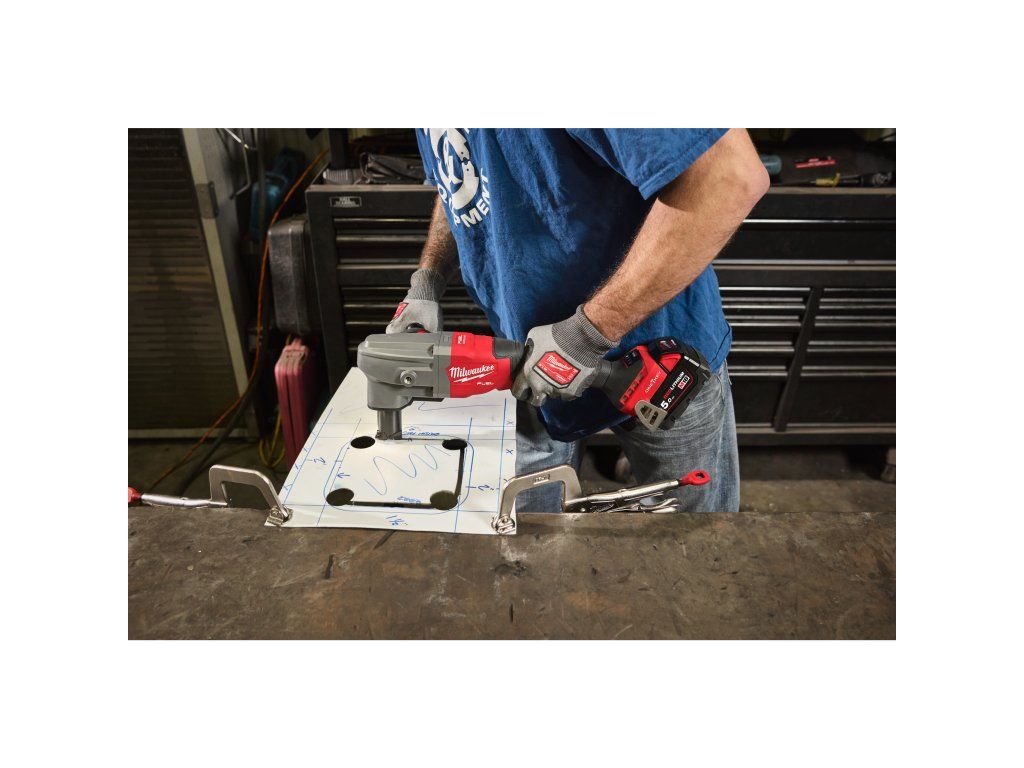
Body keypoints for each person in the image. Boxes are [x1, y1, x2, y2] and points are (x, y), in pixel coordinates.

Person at [388, 129, 769, 512]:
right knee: (535, 533)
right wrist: (428, 280)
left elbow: (729, 178)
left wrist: (587, 334)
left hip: (657, 368)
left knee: (692, 531)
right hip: (531, 362)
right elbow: (458, 179)